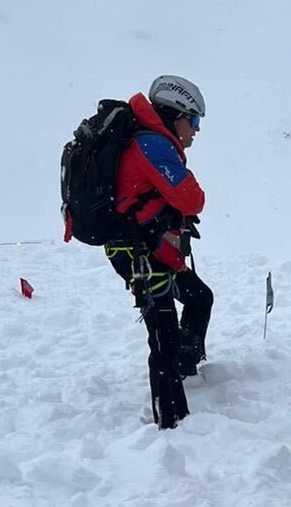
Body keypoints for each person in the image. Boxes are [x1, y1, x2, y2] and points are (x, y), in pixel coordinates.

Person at [105, 75, 213, 430]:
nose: (195, 131)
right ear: (174, 116)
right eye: (192, 121)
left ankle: (186, 371)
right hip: (140, 255)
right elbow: (192, 198)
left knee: (199, 296)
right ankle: (171, 423)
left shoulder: (152, 142)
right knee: (163, 338)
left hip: (152, 252)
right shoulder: (154, 145)